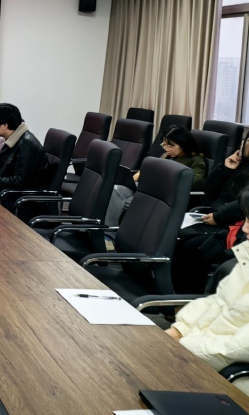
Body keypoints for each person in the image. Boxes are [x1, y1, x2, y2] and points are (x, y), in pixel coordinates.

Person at [167, 196, 249, 395]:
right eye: (246, 220)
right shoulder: (246, 258)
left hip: (229, 382)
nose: (245, 229)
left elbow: (237, 348)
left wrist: (180, 348)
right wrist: (179, 330)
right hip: (198, 357)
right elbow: (219, 302)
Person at [172, 134, 249, 293]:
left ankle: (191, 296)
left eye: (246, 141)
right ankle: (173, 294)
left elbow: (243, 204)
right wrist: (225, 169)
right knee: (175, 238)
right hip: (216, 216)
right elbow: (208, 190)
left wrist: (218, 217)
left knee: (193, 248)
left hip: (236, 227)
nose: (243, 144)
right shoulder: (240, 164)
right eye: (244, 141)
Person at [105, 125, 207, 226]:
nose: (166, 149)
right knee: (115, 190)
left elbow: (197, 181)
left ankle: (110, 232)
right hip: (146, 187)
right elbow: (154, 167)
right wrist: (141, 172)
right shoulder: (167, 155)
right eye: (164, 145)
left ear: (184, 144)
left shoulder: (196, 160)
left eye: (170, 146)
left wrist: (168, 179)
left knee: (119, 203)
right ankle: (109, 230)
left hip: (160, 195)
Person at [0, 103, 49, 211]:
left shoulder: (26, 146)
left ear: (4, 126)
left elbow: (19, 182)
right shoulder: (14, 139)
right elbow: (2, 169)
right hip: (9, 193)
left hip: (21, 201)